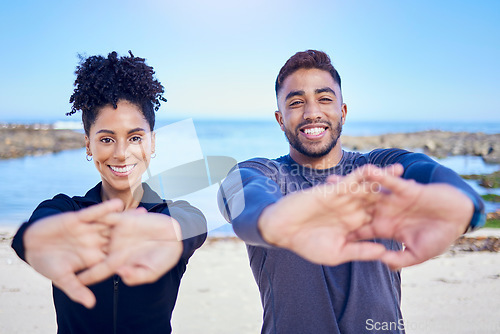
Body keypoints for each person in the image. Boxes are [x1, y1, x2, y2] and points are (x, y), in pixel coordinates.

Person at [218, 50, 485, 334]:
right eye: (296, 102)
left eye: (325, 99)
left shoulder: (379, 168)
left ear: (342, 112)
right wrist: (272, 222)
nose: (312, 113)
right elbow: (238, 190)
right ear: (280, 119)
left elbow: (434, 176)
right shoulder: (266, 173)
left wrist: (463, 210)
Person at [11, 51, 207, 334]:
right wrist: (32, 240)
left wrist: (167, 232)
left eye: (135, 137)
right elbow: (39, 226)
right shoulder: (67, 210)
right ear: (88, 145)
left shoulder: (173, 214)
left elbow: (194, 223)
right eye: (106, 139)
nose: (121, 153)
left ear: (153, 142)